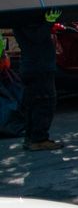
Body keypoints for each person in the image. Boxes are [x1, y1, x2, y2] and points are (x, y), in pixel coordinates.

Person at [12, 11, 62, 150]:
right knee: (45, 103)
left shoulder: (17, 18)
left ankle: (30, 138)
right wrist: (48, 22)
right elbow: (37, 37)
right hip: (40, 68)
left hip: (32, 67)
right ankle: (39, 139)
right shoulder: (26, 21)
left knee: (32, 105)